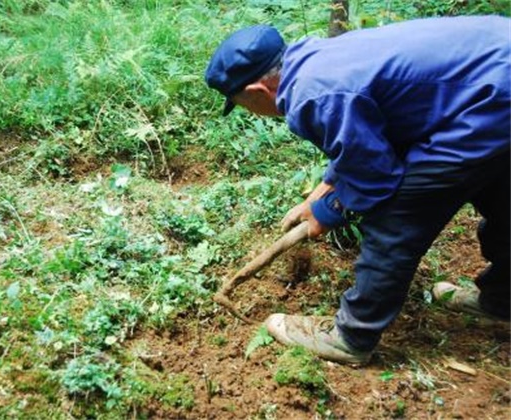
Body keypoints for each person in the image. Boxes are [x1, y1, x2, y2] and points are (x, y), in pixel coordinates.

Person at [205, 17, 510, 364]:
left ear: (259, 92)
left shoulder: (309, 96)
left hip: (491, 99)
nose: (252, 113)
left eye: (243, 105)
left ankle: (351, 336)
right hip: (497, 70)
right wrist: (326, 186)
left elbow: (378, 179)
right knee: (502, 194)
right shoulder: (315, 59)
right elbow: (368, 127)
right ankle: (504, 299)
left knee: (399, 213)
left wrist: (326, 212)